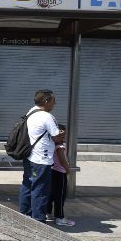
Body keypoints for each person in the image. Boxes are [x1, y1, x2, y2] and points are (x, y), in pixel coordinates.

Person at [18, 89, 64, 222]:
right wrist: (60, 134)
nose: (55, 104)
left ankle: (24, 214)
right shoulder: (47, 117)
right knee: (41, 189)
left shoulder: (31, 112)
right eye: (53, 101)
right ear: (46, 101)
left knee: (27, 184)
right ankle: (38, 219)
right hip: (42, 160)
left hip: (29, 157)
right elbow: (57, 138)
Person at [46, 124, 76, 227]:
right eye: (60, 135)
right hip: (60, 173)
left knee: (51, 194)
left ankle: (48, 213)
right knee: (60, 196)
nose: (62, 137)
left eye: (64, 135)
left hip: (53, 171)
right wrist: (68, 170)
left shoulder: (51, 144)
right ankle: (60, 217)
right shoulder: (60, 147)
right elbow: (63, 161)